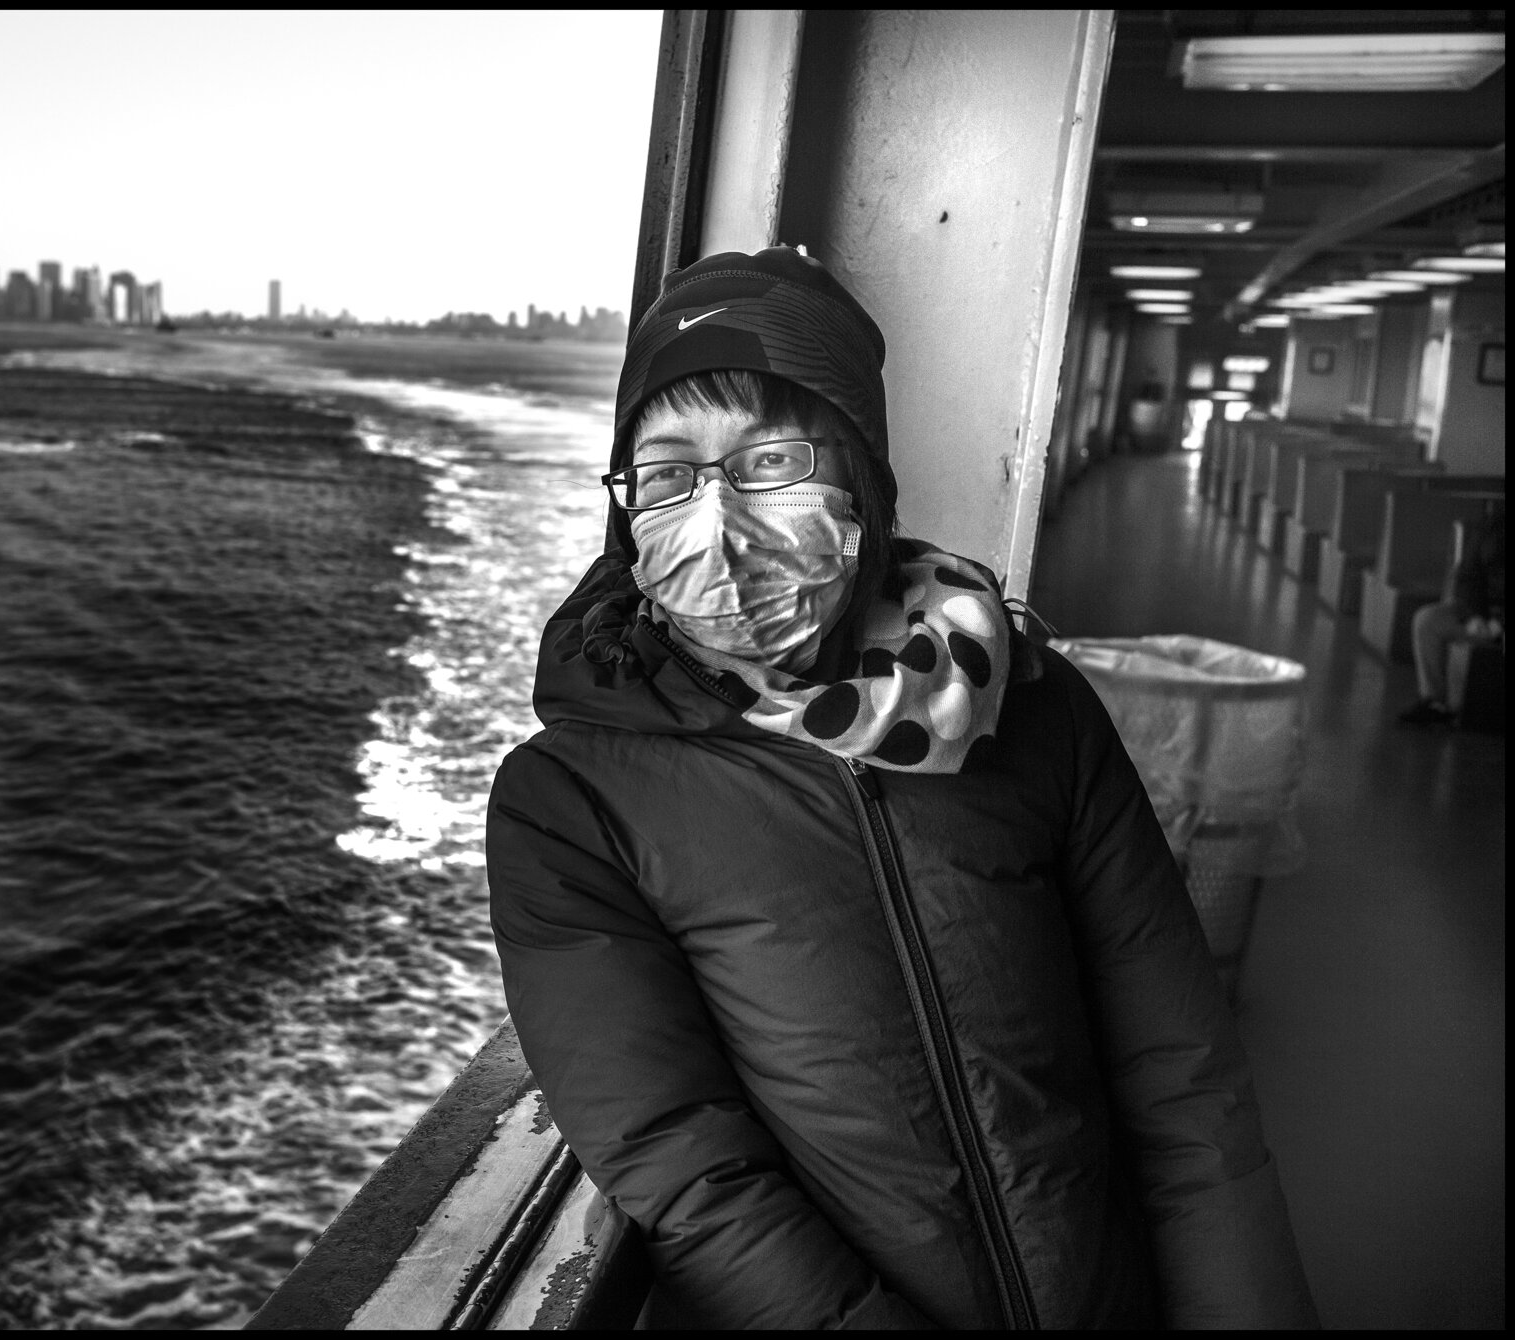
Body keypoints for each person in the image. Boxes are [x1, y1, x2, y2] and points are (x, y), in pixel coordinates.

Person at [485, 246, 1318, 1329]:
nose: (714, 516)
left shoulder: (1030, 705)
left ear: (862, 478)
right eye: (666, 471)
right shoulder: (572, 800)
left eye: (770, 458)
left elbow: (1182, 1082)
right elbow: (690, 1171)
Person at [1398, 509, 1505, 726]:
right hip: (1484, 615)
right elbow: (1467, 576)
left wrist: (1501, 624)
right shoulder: (1493, 524)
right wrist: (1473, 616)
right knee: (1428, 619)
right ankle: (1434, 701)